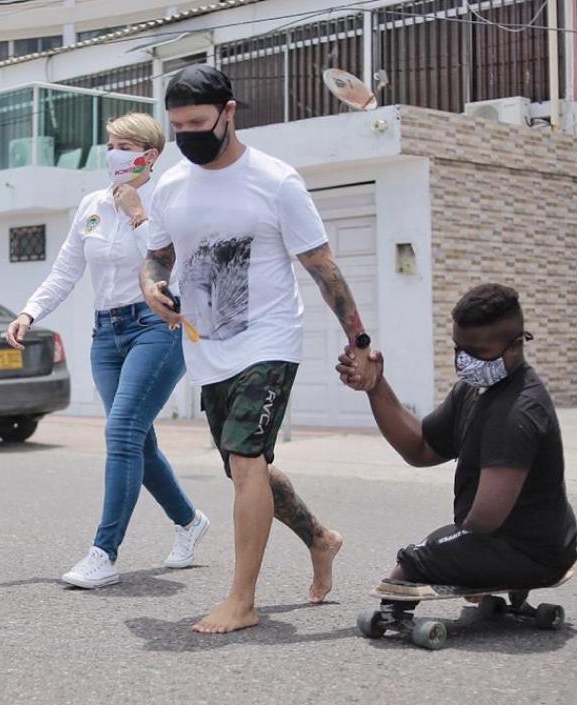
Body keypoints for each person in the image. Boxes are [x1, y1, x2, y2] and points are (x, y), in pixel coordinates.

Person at [138, 65, 376, 634]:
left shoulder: (275, 181)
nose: (187, 135)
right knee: (251, 470)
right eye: (177, 126)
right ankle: (320, 538)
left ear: (229, 111)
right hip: (207, 346)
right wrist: (151, 289)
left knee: (246, 461)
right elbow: (158, 257)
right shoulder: (171, 186)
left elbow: (323, 268)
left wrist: (361, 343)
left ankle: (242, 600)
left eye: (197, 122)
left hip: (269, 340)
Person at [6, 112, 210, 590]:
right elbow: (65, 272)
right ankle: (190, 521)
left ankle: (104, 552)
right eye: (110, 144)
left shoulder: (171, 198)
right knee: (137, 440)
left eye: (123, 145)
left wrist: (139, 212)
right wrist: (28, 313)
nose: (112, 153)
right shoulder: (91, 205)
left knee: (121, 432)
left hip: (157, 328)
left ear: (149, 155)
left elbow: (171, 268)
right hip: (107, 334)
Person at [336, 283, 577, 590]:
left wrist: (456, 561)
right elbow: (421, 449)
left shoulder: (518, 410)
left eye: (478, 352)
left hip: (534, 553)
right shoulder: (472, 390)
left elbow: (486, 519)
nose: (464, 361)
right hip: (497, 540)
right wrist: (375, 386)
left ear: (516, 345)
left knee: (408, 566)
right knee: (429, 552)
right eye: (458, 349)